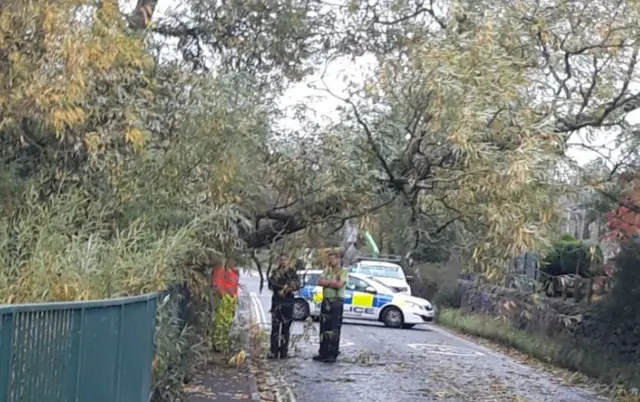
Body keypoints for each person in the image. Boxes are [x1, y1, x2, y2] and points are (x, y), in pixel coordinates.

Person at [313, 250, 348, 363]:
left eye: (333, 258)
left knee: (334, 329)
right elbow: (319, 281)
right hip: (326, 301)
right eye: (329, 259)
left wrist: (326, 283)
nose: (330, 261)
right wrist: (330, 282)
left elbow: (339, 285)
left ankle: (332, 354)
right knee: (324, 327)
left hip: (336, 302)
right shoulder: (326, 270)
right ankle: (323, 353)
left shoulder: (342, 272)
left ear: (338, 260)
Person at [267, 254, 300, 359]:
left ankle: (284, 352)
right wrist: (283, 287)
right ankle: (274, 351)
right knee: (275, 328)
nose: (283, 261)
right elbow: (272, 284)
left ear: (288, 261)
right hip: (277, 302)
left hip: (288, 302)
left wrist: (290, 288)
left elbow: (297, 284)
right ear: (278, 261)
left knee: (286, 329)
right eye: (281, 260)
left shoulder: (292, 273)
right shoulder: (275, 273)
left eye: (285, 259)